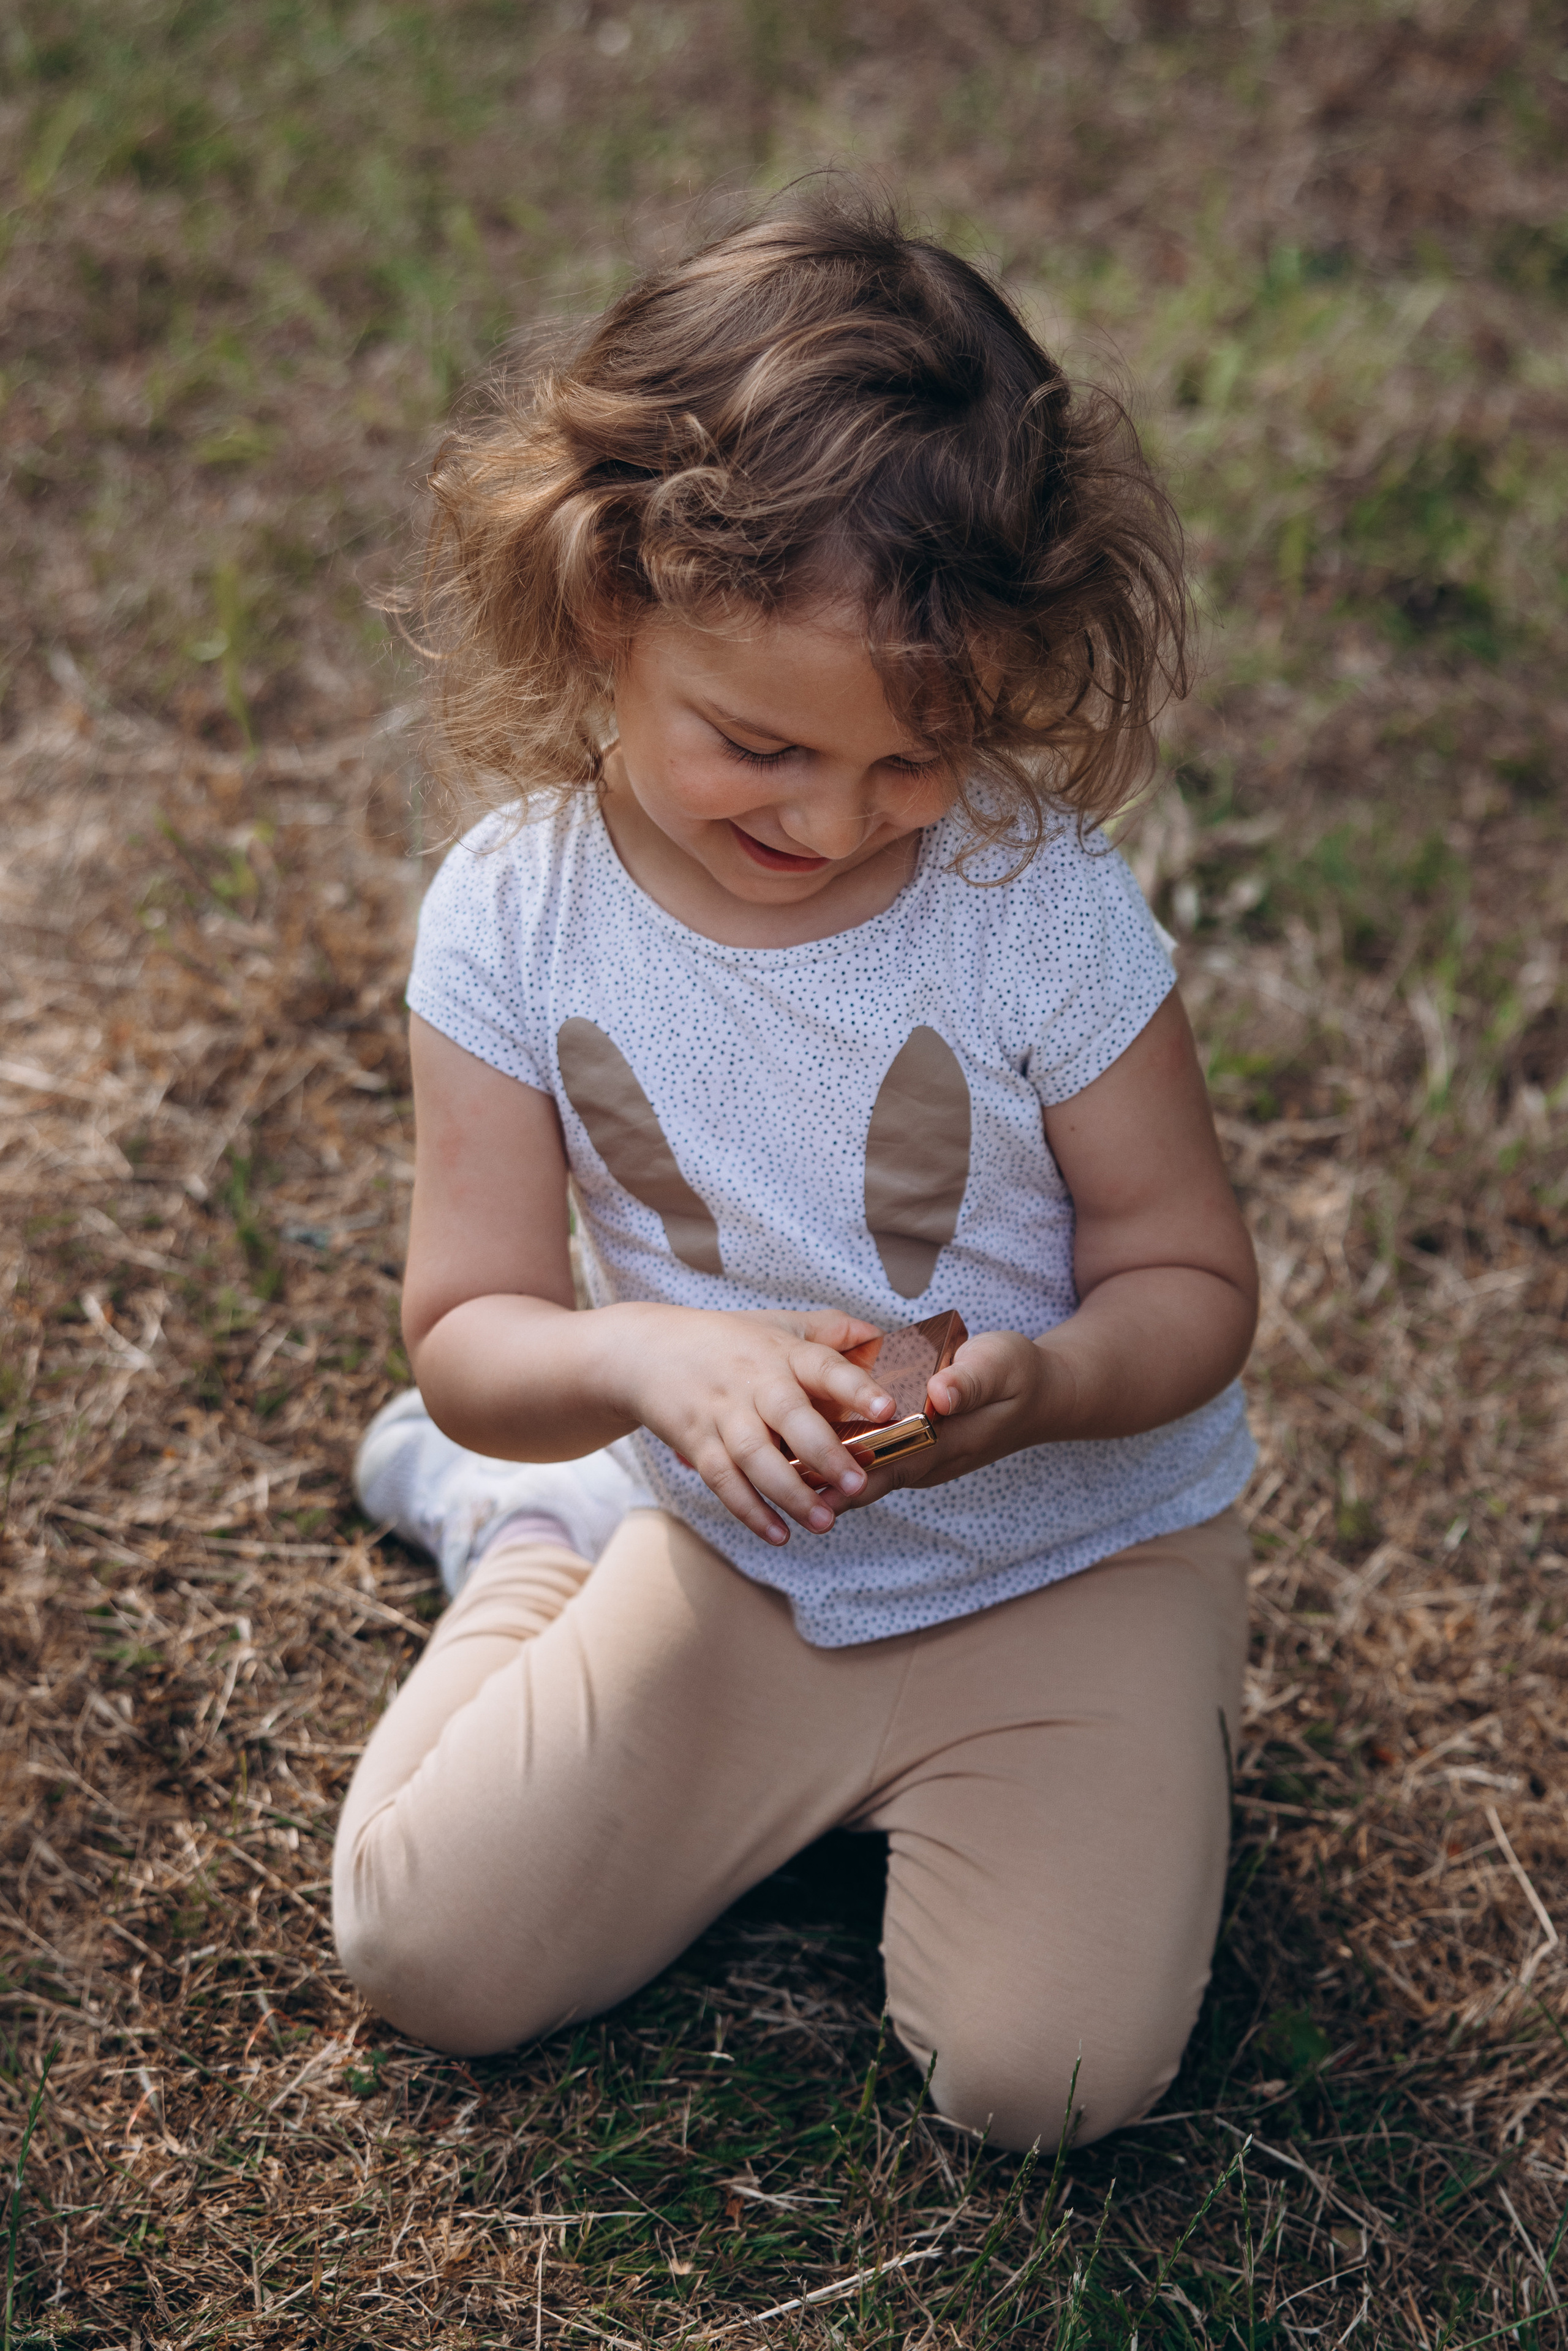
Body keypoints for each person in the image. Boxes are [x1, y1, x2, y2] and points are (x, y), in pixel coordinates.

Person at [332, 188, 1259, 2154]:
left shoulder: (1035, 906)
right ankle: (533, 1539)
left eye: (914, 761)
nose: (835, 822)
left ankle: (1117, 1734)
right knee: (429, 1951)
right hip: (738, 1554)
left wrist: (1048, 1388)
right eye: (759, 746)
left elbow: (1191, 1279)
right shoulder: (515, 918)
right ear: (607, 600)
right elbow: (471, 1330)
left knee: (1050, 2083)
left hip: (1071, 1562)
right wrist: (649, 1364)